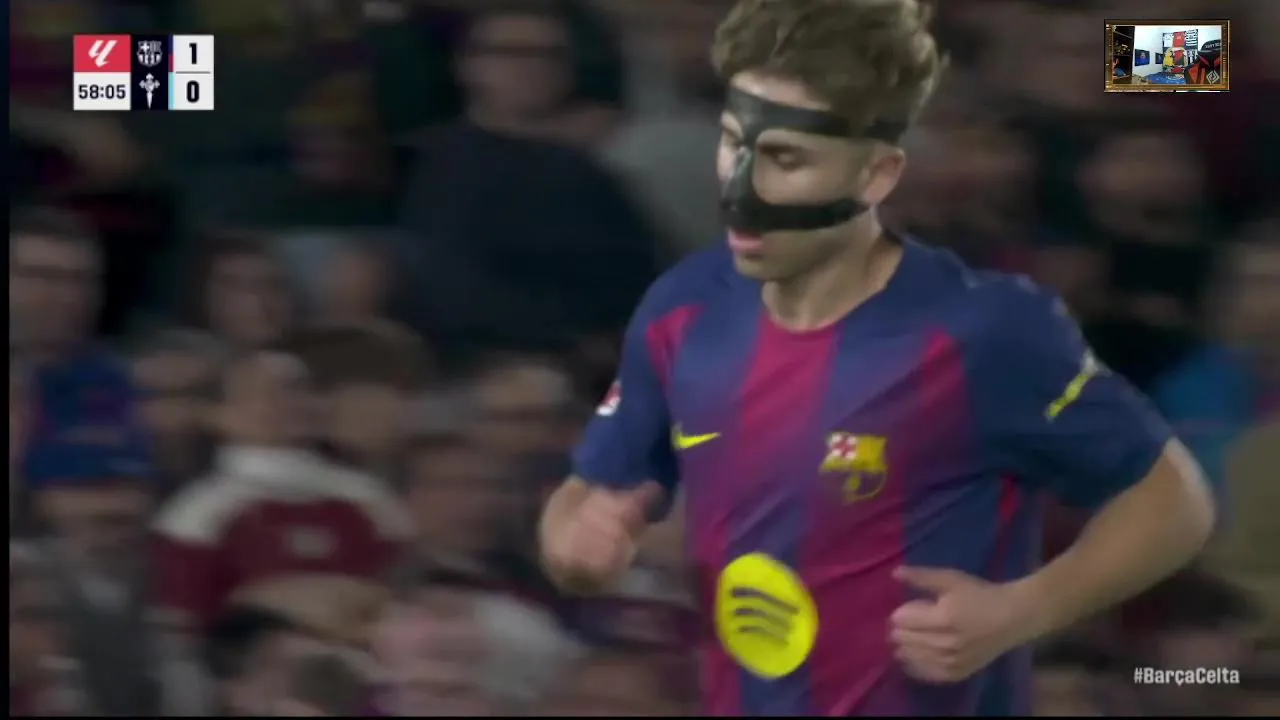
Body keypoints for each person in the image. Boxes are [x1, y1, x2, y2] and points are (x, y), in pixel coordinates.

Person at [538, 0, 1215, 715]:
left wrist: (1020, 610)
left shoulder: (986, 329)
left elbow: (1174, 503)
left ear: (876, 175)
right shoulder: (682, 306)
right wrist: (576, 544)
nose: (740, 189)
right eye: (735, 143)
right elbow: (588, 494)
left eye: (786, 159)